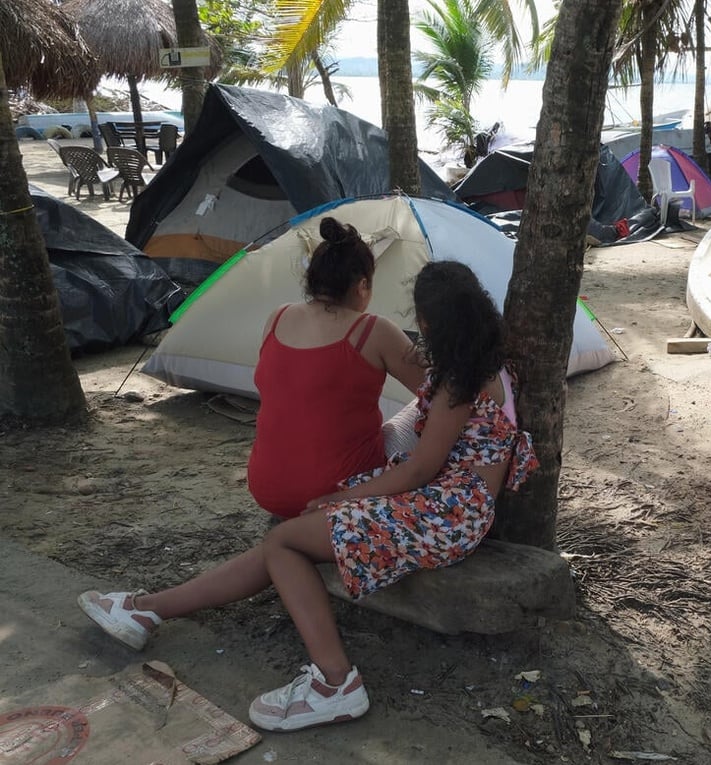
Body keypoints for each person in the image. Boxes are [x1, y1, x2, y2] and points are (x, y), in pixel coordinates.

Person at [77, 260, 539, 733]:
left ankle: (335, 683)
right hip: (454, 506)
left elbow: (421, 468)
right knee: (286, 542)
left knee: (284, 542)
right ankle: (147, 609)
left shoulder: (459, 382)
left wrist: (349, 495)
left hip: (446, 513)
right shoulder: (489, 364)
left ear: (426, 321)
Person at [245, 217, 425, 519]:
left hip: (267, 489)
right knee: (424, 409)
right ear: (363, 285)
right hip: (337, 491)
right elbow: (437, 390)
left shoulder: (277, 317)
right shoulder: (373, 330)